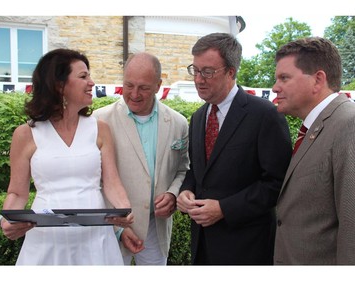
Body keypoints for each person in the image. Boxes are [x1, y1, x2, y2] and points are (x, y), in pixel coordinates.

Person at [0, 48, 134, 265]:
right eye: (83, 76)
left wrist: (125, 211)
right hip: (46, 240)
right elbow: (17, 192)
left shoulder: (101, 129)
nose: (92, 82)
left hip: (95, 239)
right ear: (59, 85)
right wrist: (6, 220)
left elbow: (112, 183)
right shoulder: (25, 134)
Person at [176, 32, 292, 265]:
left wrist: (224, 209)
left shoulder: (264, 114)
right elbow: (198, 172)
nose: (198, 79)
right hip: (203, 248)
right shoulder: (198, 117)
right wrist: (186, 191)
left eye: (207, 71)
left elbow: (277, 183)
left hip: (247, 249)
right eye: (195, 70)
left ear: (231, 72)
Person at [93, 52, 189, 265]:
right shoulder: (99, 120)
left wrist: (173, 195)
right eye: (129, 85)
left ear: (158, 85)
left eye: (144, 87)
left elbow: (183, 169)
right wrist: (118, 227)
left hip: (157, 227)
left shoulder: (179, 123)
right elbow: (93, 180)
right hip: (111, 226)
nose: (134, 94)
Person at [272, 37, 355, 265]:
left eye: (284, 78)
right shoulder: (315, 126)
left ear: (318, 80)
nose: (275, 87)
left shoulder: (348, 124)